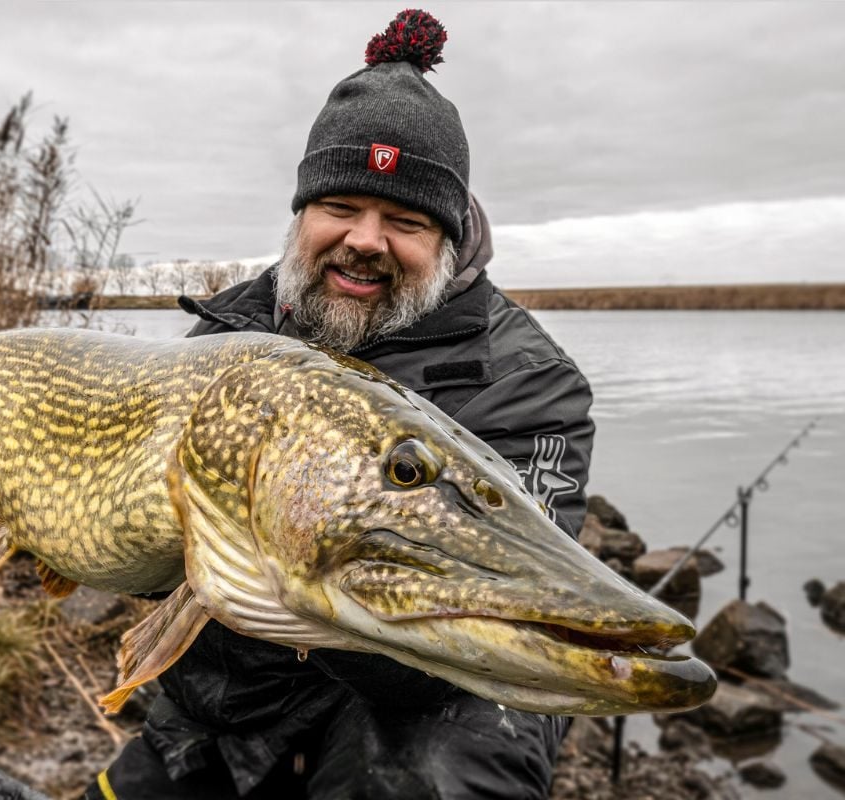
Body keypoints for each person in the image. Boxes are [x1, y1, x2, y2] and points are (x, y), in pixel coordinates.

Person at [87, 9, 595, 799]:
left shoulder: (528, 379)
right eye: (341, 208)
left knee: (441, 775)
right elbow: (151, 550)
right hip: (235, 698)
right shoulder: (227, 331)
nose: (366, 239)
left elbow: (507, 610)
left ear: (449, 239)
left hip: (430, 707)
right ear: (302, 216)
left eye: (405, 220)